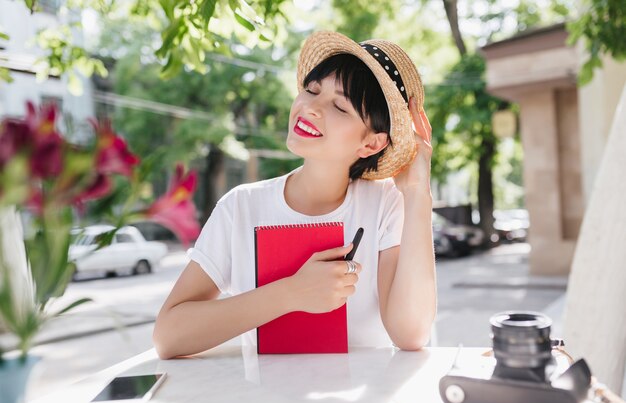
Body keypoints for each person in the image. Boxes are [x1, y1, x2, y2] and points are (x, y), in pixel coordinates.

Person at [153, 31, 436, 359]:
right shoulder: (240, 206)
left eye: (339, 107)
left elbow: (411, 333)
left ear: (371, 143)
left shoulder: (387, 204)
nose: (310, 107)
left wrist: (418, 194)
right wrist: (291, 293)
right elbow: (168, 336)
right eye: (311, 90)